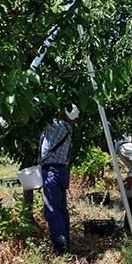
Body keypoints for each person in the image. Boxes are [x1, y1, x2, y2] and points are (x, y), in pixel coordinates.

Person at [39, 104, 78, 255]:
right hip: (61, 171)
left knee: (52, 211)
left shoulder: (56, 125)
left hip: (52, 172)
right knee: (61, 210)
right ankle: (65, 244)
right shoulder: (68, 128)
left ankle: (60, 249)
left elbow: (40, 115)